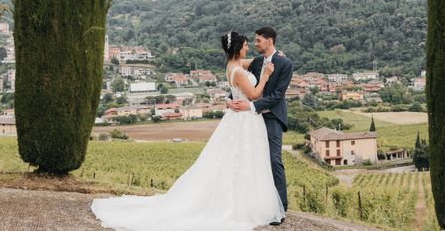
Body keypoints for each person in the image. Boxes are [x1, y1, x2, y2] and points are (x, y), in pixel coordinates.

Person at [90, 31, 286, 231]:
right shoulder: (237, 70)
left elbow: (255, 61)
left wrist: (273, 55)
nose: (248, 47)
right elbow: (253, 94)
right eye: (245, 45)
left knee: (237, 160)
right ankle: (239, 204)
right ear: (237, 48)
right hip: (244, 118)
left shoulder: (234, 65)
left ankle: (243, 200)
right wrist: (265, 76)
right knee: (241, 160)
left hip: (239, 119)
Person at [227, 26, 293, 224]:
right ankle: (257, 203)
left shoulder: (285, 63)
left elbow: (277, 95)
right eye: (253, 42)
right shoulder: (255, 62)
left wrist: (252, 106)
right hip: (253, 119)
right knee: (253, 161)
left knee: (274, 160)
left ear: (269, 41)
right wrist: (227, 99)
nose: (255, 44)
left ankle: (281, 207)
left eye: (258, 41)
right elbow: (237, 80)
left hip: (271, 116)